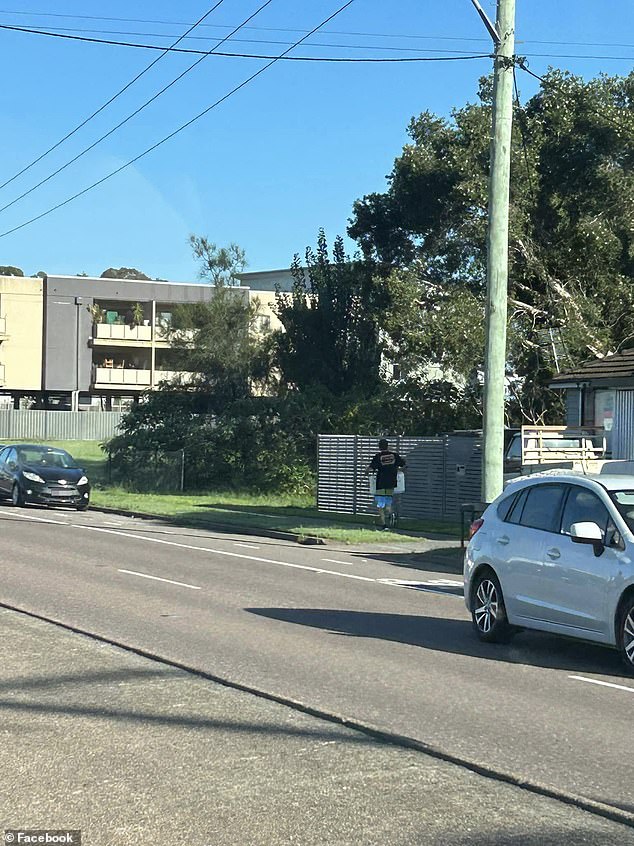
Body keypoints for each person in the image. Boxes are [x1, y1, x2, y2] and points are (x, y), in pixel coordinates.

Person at [368, 438, 406, 531]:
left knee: (380, 505)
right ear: (387, 446)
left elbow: (371, 468)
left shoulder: (378, 456)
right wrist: (398, 470)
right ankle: (391, 514)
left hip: (381, 483)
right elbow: (404, 465)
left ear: (379, 447)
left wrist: (366, 472)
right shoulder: (394, 455)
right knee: (388, 503)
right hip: (391, 483)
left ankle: (384, 525)